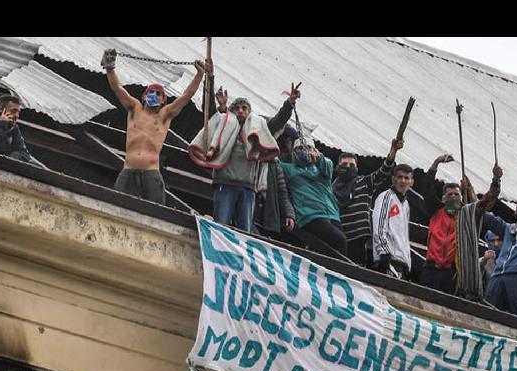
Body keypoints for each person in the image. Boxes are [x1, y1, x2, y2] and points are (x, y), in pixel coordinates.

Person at [102, 48, 209, 205]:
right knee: (118, 207)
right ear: (144, 96)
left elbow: (186, 96)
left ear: (163, 100)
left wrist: (199, 75)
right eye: (151, 92)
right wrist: (110, 65)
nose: (154, 94)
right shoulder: (135, 108)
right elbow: (117, 88)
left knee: (156, 211)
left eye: (159, 93)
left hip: (151, 172)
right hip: (129, 169)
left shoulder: (165, 115)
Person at [189, 85, 301, 232]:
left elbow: (278, 121)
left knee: (244, 232)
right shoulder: (222, 126)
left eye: (244, 108)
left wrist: (290, 102)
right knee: (220, 226)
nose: (241, 111)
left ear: (249, 112)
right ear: (232, 111)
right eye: (237, 108)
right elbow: (210, 116)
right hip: (225, 184)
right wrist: (213, 87)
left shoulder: (258, 130)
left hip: (248, 188)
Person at [422, 164, 501, 297]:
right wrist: (436, 164)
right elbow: (426, 187)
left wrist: (496, 180)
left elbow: (487, 201)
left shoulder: (468, 216)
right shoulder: (436, 211)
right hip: (431, 269)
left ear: (462, 197)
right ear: (443, 198)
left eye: (456, 194)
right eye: (450, 194)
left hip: (453, 273)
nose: (453, 197)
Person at [332, 139, 405, 267]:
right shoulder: (331, 188)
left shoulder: (364, 182)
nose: (348, 167)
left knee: (355, 270)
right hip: (337, 238)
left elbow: (384, 171)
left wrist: (393, 150)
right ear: (338, 167)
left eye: (351, 165)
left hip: (358, 239)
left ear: (357, 168)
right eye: (344, 164)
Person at [279, 136, 346, 255]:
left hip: (332, 215)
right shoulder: (289, 169)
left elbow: (327, 167)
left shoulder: (323, 166)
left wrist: (318, 157)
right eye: (299, 149)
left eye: (308, 148)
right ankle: (340, 271)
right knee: (339, 240)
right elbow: (273, 161)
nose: (304, 151)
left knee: (332, 247)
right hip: (310, 215)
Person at [372, 164, 415, 279]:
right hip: (387, 259)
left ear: (411, 182)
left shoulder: (406, 205)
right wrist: (384, 253)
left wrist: (408, 264)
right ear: (393, 179)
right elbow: (379, 226)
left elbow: (404, 237)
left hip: (402, 263)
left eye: (406, 178)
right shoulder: (386, 197)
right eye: (399, 177)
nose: (403, 180)